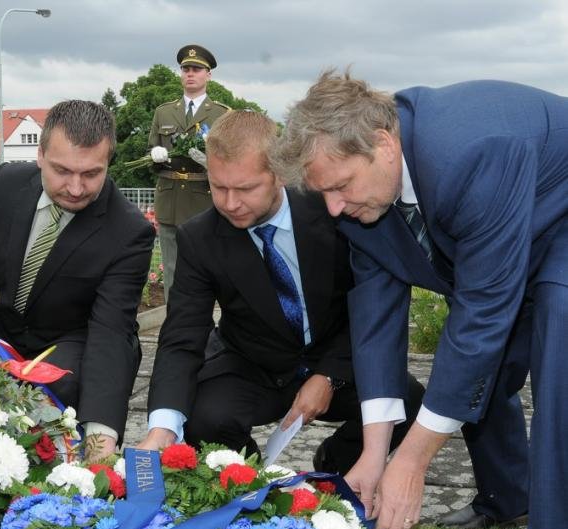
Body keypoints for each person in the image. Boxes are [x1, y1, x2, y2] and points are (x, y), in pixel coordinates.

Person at [278, 69, 567, 529]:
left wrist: (411, 462)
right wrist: (374, 452)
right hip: (505, 235)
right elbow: (376, 321)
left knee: (558, 340)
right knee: (482, 370)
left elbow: (480, 315)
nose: (334, 208)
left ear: (384, 144)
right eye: (324, 193)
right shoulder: (355, 196)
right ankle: (508, 497)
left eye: (340, 187)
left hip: (562, 217)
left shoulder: (473, 152)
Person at [139, 110, 423, 473]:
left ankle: (335, 467)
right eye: (218, 186)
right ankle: (251, 480)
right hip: (252, 364)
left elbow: (368, 304)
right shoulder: (200, 238)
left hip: (335, 358)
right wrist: (162, 427)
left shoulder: (334, 209)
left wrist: (329, 375)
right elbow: (181, 337)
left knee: (408, 403)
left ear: (279, 174)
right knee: (203, 419)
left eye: (245, 188)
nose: (229, 203)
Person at [0, 99, 155, 461]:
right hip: (5, 333)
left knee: (48, 385)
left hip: (75, 344)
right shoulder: (4, 184)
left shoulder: (129, 231)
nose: (76, 188)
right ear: (40, 155)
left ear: (108, 162)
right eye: (62, 171)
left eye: (92, 174)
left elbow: (110, 331)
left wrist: (100, 442)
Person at [148, 44, 230, 301]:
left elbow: (231, 160)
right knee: (172, 269)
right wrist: (155, 157)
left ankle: (206, 324)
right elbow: (151, 151)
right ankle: (176, 327)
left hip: (204, 199)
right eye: (186, 69)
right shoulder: (164, 112)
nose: (190, 73)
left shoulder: (222, 114)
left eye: (197, 69)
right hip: (171, 198)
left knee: (207, 267)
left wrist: (210, 163)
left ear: (208, 75)